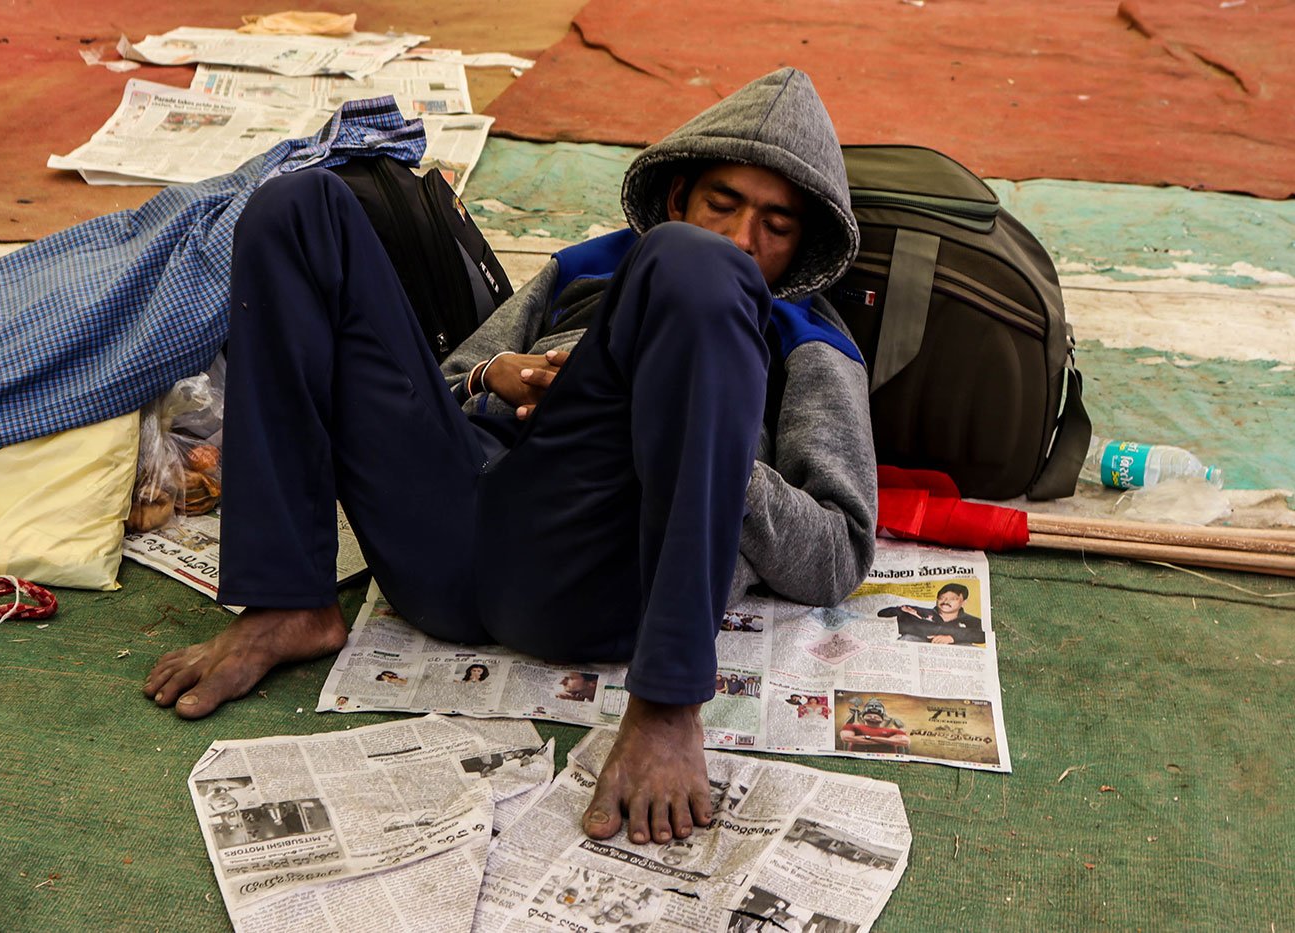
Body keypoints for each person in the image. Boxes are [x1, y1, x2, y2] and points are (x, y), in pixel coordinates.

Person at [144, 68, 876, 848]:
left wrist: (693, 433)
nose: (742, 237)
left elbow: (838, 550)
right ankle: (288, 600)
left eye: (776, 224)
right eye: (722, 204)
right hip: (444, 536)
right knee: (297, 205)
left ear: (803, 244)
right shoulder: (581, 267)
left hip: (583, 569)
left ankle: (667, 703)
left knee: (698, 269)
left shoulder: (809, 340)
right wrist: (502, 377)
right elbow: (451, 377)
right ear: (678, 197)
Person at [879, 583, 984, 645]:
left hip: (954, 652)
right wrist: (904, 611)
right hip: (921, 648)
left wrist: (952, 637)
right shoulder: (921, 612)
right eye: (942, 598)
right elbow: (882, 614)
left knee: (969, 647)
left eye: (953, 599)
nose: (946, 602)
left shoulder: (972, 620)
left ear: (963, 602)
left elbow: (983, 635)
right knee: (907, 639)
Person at [839, 698, 910, 753]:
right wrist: (887, 741)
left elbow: (904, 741)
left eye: (876, 716)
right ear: (863, 716)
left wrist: (867, 738)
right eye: (869, 715)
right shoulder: (853, 726)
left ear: (883, 717)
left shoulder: (893, 729)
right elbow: (846, 738)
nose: (872, 717)